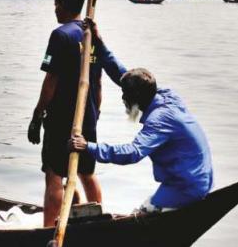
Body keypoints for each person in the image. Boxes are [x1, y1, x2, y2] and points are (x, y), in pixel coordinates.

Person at [69, 23, 213, 212]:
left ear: (136, 98)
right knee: (143, 210)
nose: (123, 99)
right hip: (197, 177)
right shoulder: (165, 95)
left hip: (186, 187)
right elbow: (123, 75)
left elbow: (132, 152)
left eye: (126, 96)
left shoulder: (159, 120)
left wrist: (88, 146)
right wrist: (100, 43)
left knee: (142, 214)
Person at [28, 0, 107, 227]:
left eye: (55, 4)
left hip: (62, 117)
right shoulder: (92, 33)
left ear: (62, 5)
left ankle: (49, 229)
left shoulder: (61, 35)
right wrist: (96, 112)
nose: (54, 10)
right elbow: (98, 81)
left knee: (54, 174)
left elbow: (51, 79)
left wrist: (37, 114)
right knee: (87, 172)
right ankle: (99, 224)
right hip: (88, 115)